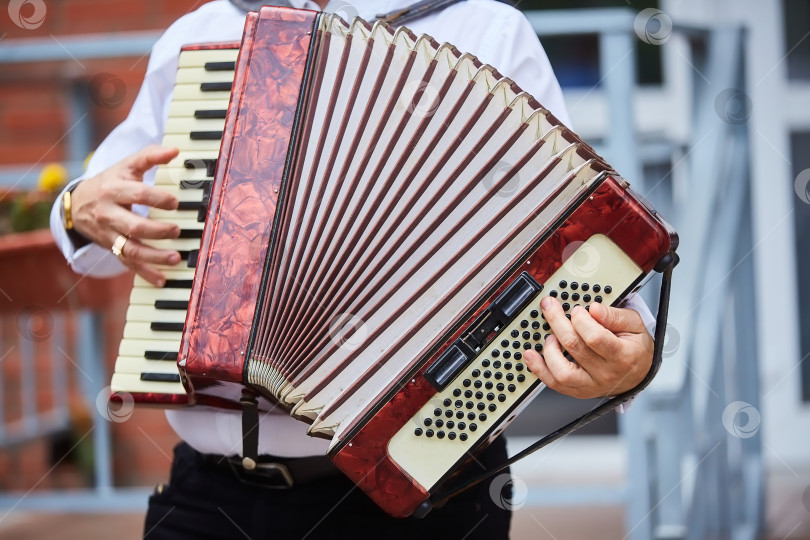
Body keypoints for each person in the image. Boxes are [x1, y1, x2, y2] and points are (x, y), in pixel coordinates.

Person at [50, 1, 656, 538]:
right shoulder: (207, 32)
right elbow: (105, 232)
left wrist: (626, 346)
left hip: (418, 496)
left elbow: (576, 229)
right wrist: (78, 208)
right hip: (211, 498)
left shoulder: (486, 30)